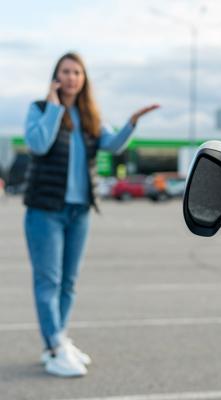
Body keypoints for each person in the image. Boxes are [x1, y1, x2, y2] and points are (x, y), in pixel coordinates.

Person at [23, 52, 159, 378]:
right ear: (56, 77)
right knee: (49, 281)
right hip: (45, 210)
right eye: (65, 72)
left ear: (84, 79)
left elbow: (111, 146)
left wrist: (132, 123)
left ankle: (57, 342)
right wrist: (55, 106)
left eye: (77, 72)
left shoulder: (90, 117)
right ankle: (56, 346)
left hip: (79, 211)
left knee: (68, 284)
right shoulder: (40, 109)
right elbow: (39, 144)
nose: (71, 77)